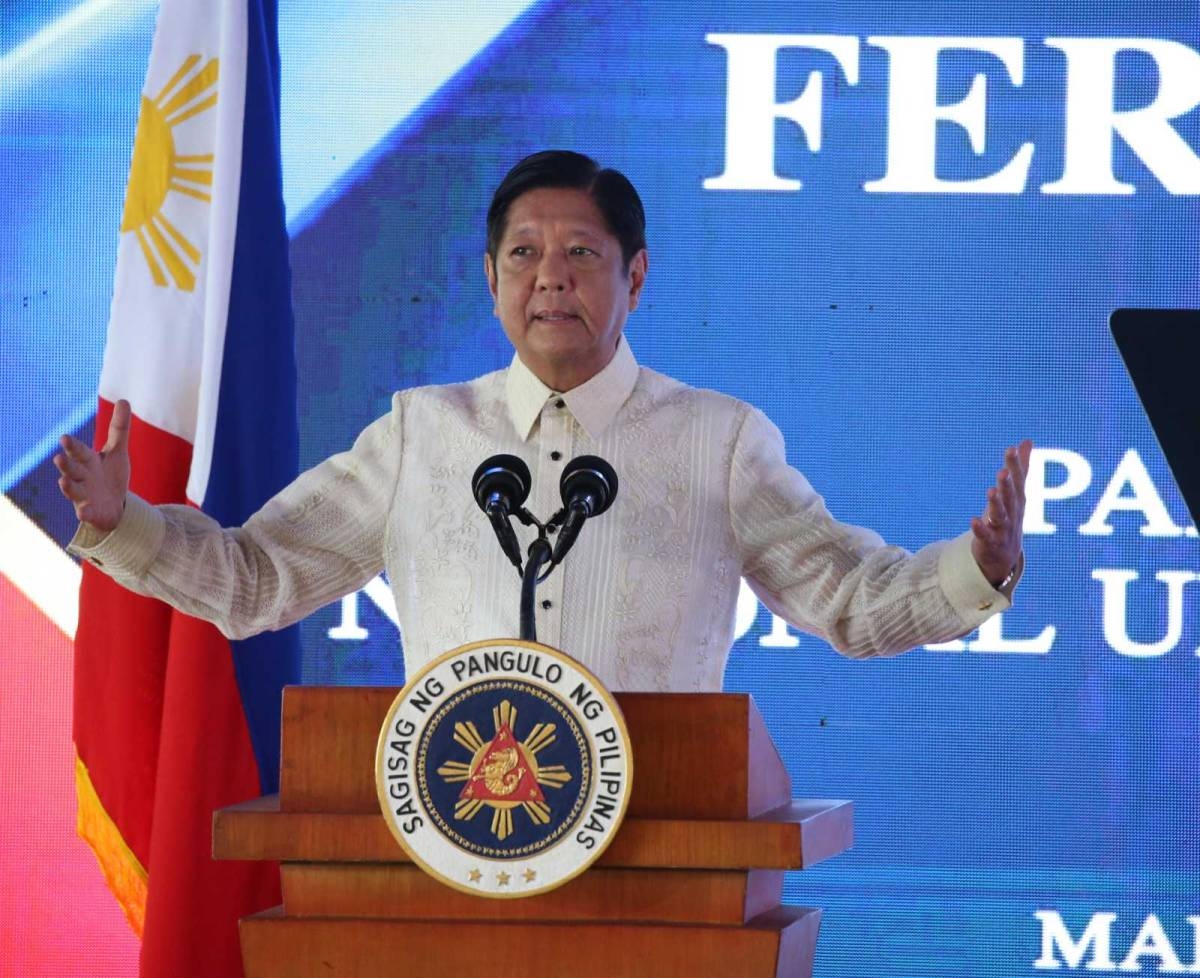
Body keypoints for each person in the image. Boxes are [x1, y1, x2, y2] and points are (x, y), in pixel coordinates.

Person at [56, 150, 1030, 692]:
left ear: (636, 277)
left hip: (658, 857)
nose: (550, 275)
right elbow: (257, 580)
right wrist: (122, 523)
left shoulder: (720, 441)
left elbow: (851, 601)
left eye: (580, 253)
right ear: (490, 282)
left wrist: (975, 569)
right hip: (451, 849)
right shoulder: (421, 434)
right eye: (523, 253)